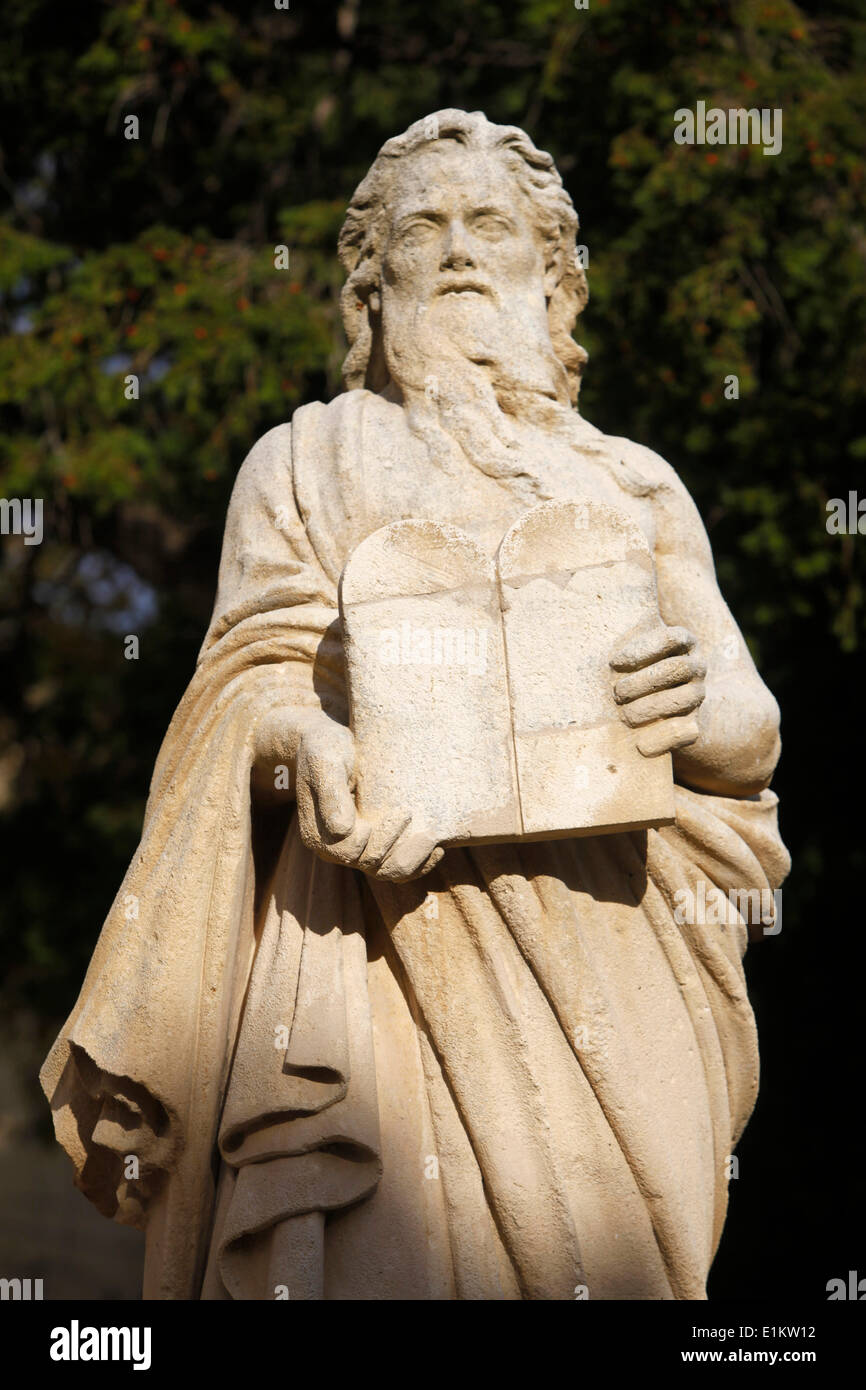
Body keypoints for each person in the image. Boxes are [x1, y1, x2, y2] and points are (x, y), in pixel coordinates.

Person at [41, 110, 789, 1300]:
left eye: (488, 225)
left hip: (613, 943)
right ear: (369, 293)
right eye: (420, 227)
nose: (453, 248)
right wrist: (303, 744)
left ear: (552, 288)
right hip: (369, 937)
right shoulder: (304, 462)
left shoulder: (631, 480)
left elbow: (748, 734)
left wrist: (690, 700)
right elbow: (241, 691)